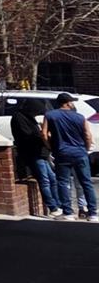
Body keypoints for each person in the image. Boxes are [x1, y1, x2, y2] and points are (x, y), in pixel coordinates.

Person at [43, 93, 97, 221]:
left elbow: (44, 134)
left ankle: (68, 212)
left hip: (62, 153)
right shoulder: (80, 117)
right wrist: (86, 148)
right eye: (71, 102)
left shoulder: (50, 116)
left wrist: (50, 147)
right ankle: (93, 213)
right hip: (79, 153)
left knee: (63, 182)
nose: (73, 104)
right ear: (67, 102)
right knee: (86, 183)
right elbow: (87, 134)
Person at [8, 98, 66, 217]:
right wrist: (41, 136)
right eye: (36, 110)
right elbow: (27, 135)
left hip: (41, 153)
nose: (37, 113)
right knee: (44, 180)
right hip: (32, 153)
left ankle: (58, 204)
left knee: (52, 178)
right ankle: (52, 207)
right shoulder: (18, 118)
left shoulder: (29, 117)